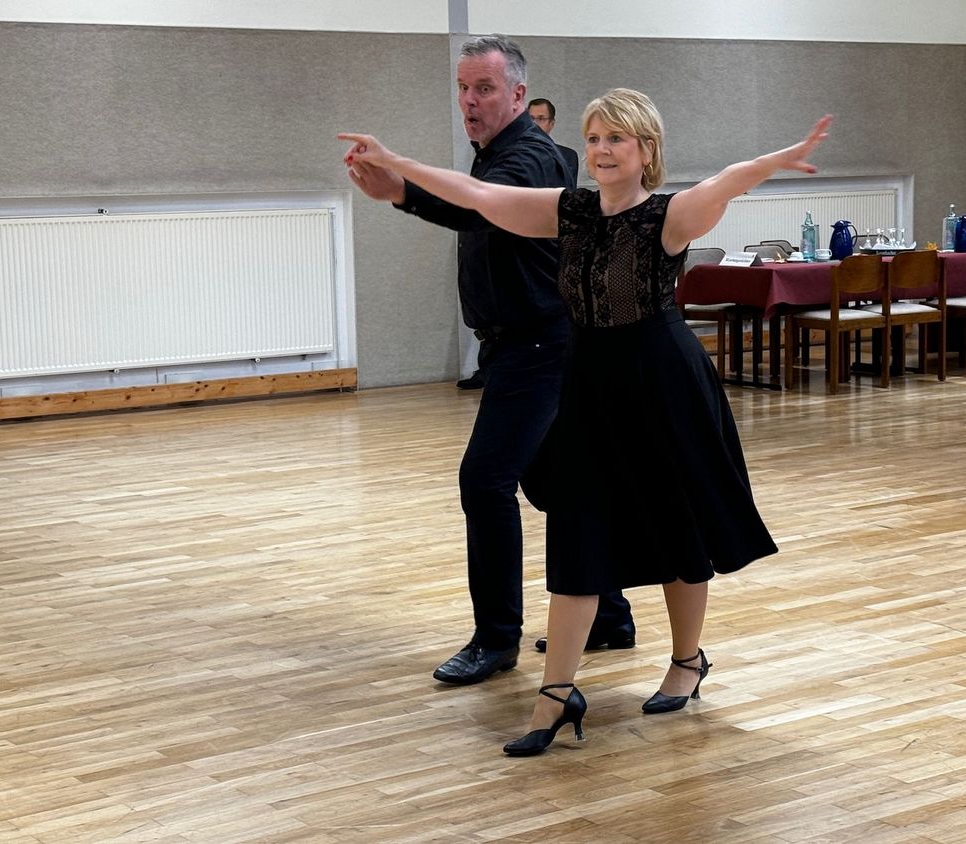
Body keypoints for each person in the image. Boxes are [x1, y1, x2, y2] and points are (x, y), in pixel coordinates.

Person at [341, 90, 832, 754]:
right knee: (577, 530)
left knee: (676, 527)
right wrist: (398, 164)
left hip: (664, 383)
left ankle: (687, 660)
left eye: (616, 139)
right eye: (594, 138)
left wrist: (783, 157)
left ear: (646, 150)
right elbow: (477, 196)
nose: (600, 150)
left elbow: (727, 181)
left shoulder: (668, 216)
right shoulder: (568, 212)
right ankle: (555, 694)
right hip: (589, 384)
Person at [343, 35, 635, 686]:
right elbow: (477, 209)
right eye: (463, 88)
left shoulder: (528, 157)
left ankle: (496, 640)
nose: (469, 101)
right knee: (556, 485)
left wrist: (403, 186)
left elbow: (482, 208)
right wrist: (401, 192)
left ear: (518, 95)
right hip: (526, 345)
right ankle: (610, 615)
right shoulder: (499, 155)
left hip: (539, 347)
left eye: (484, 89)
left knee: (484, 482)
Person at [527, 98, 580, 179]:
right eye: (531, 118)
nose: (534, 124)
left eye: (540, 119)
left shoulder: (567, 157)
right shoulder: (513, 154)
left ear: (551, 123)